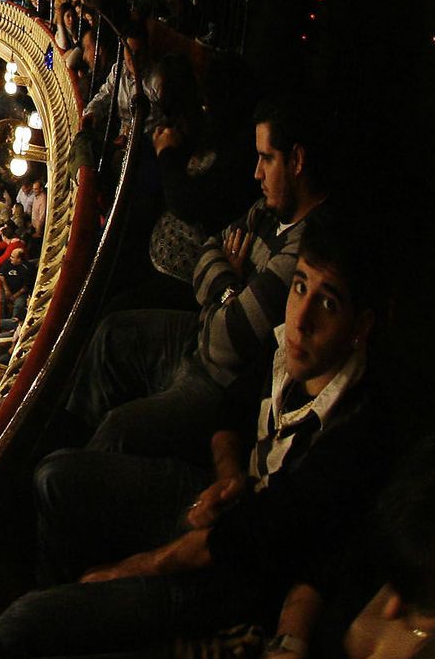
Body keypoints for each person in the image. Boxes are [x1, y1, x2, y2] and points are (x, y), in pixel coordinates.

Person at [0, 206, 392, 659]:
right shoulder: (287, 346)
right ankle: (66, 612)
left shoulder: (358, 431)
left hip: (232, 573)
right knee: (53, 476)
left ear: (361, 327)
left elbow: (265, 537)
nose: (300, 320)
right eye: (300, 286)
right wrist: (229, 473)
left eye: (329, 303)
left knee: (17, 625)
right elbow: (230, 410)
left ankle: (111, 636)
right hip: (221, 508)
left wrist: (134, 568)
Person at [66, 97, 333, 460]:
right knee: (111, 333)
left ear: (297, 160)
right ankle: (71, 440)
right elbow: (206, 252)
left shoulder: (307, 248)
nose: (257, 173)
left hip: (219, 380)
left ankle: (78, 469)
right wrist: (230, 289)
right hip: (200, 335)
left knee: (117, 430)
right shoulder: (268, 209)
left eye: (267, 159)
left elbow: (227, 343)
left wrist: (220, 292)